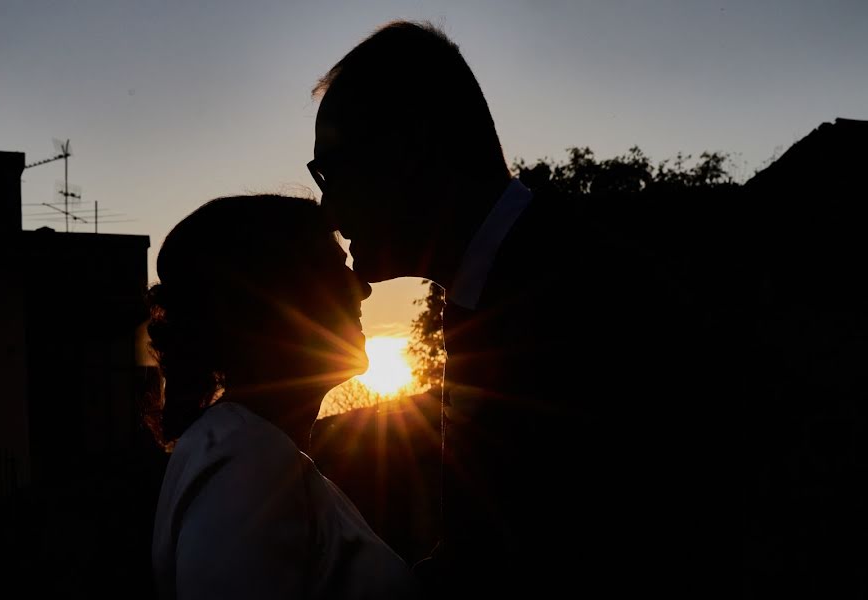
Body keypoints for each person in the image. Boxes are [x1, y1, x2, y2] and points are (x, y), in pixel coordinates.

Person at [310, 20, 728, 597]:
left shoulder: (587, 301)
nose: (328, 210)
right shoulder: (496, 289)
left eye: (332, 172)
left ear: (413, 148)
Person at [147, 195, 423, 600]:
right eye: (335, 269)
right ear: (274, 300)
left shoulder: (255, 450)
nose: (361, 288)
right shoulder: (249, 460)